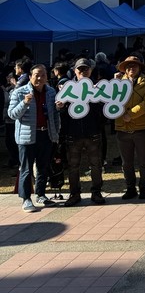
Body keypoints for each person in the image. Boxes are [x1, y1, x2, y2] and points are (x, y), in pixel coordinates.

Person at [8, 63, 61, 212]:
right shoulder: (19, 92)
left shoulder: (51, 92)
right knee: (26, 169)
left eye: (43, 75)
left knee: (43, 167)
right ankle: (26, 199)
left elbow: (54, 115)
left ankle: (41, 195)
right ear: (30, 76)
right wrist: (24, 103)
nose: (40, 78)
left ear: (47, 77)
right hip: (27, 136)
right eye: (37, 75)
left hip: (46, 134)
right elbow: (12, 114)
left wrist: (56, 131)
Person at [57, 58, 106, 206]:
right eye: (80, 69)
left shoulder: (98, 88)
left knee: (96, 164)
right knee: (73, 166)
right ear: (75, 71)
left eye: (86, 69)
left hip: (93, 132)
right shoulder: (67, 88)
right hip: (73, 133)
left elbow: (104, 111)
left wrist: (96, 99)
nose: (83, 72)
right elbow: (60, 110)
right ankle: (74, 193)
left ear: (91, 70)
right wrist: (61, 106)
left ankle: (96, 192)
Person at [113, 55, 145, 200]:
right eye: (128, 66)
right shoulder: (118, 83)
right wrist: (114, 84)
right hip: (122, 127)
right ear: (124, 69)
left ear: (140, 68)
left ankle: (144, 188)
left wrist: (131, 114)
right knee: (126, 162)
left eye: (134, 66)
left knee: (144, 161)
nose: (131, 68)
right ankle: (130, 188)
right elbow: (111, 101)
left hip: (142, 127)